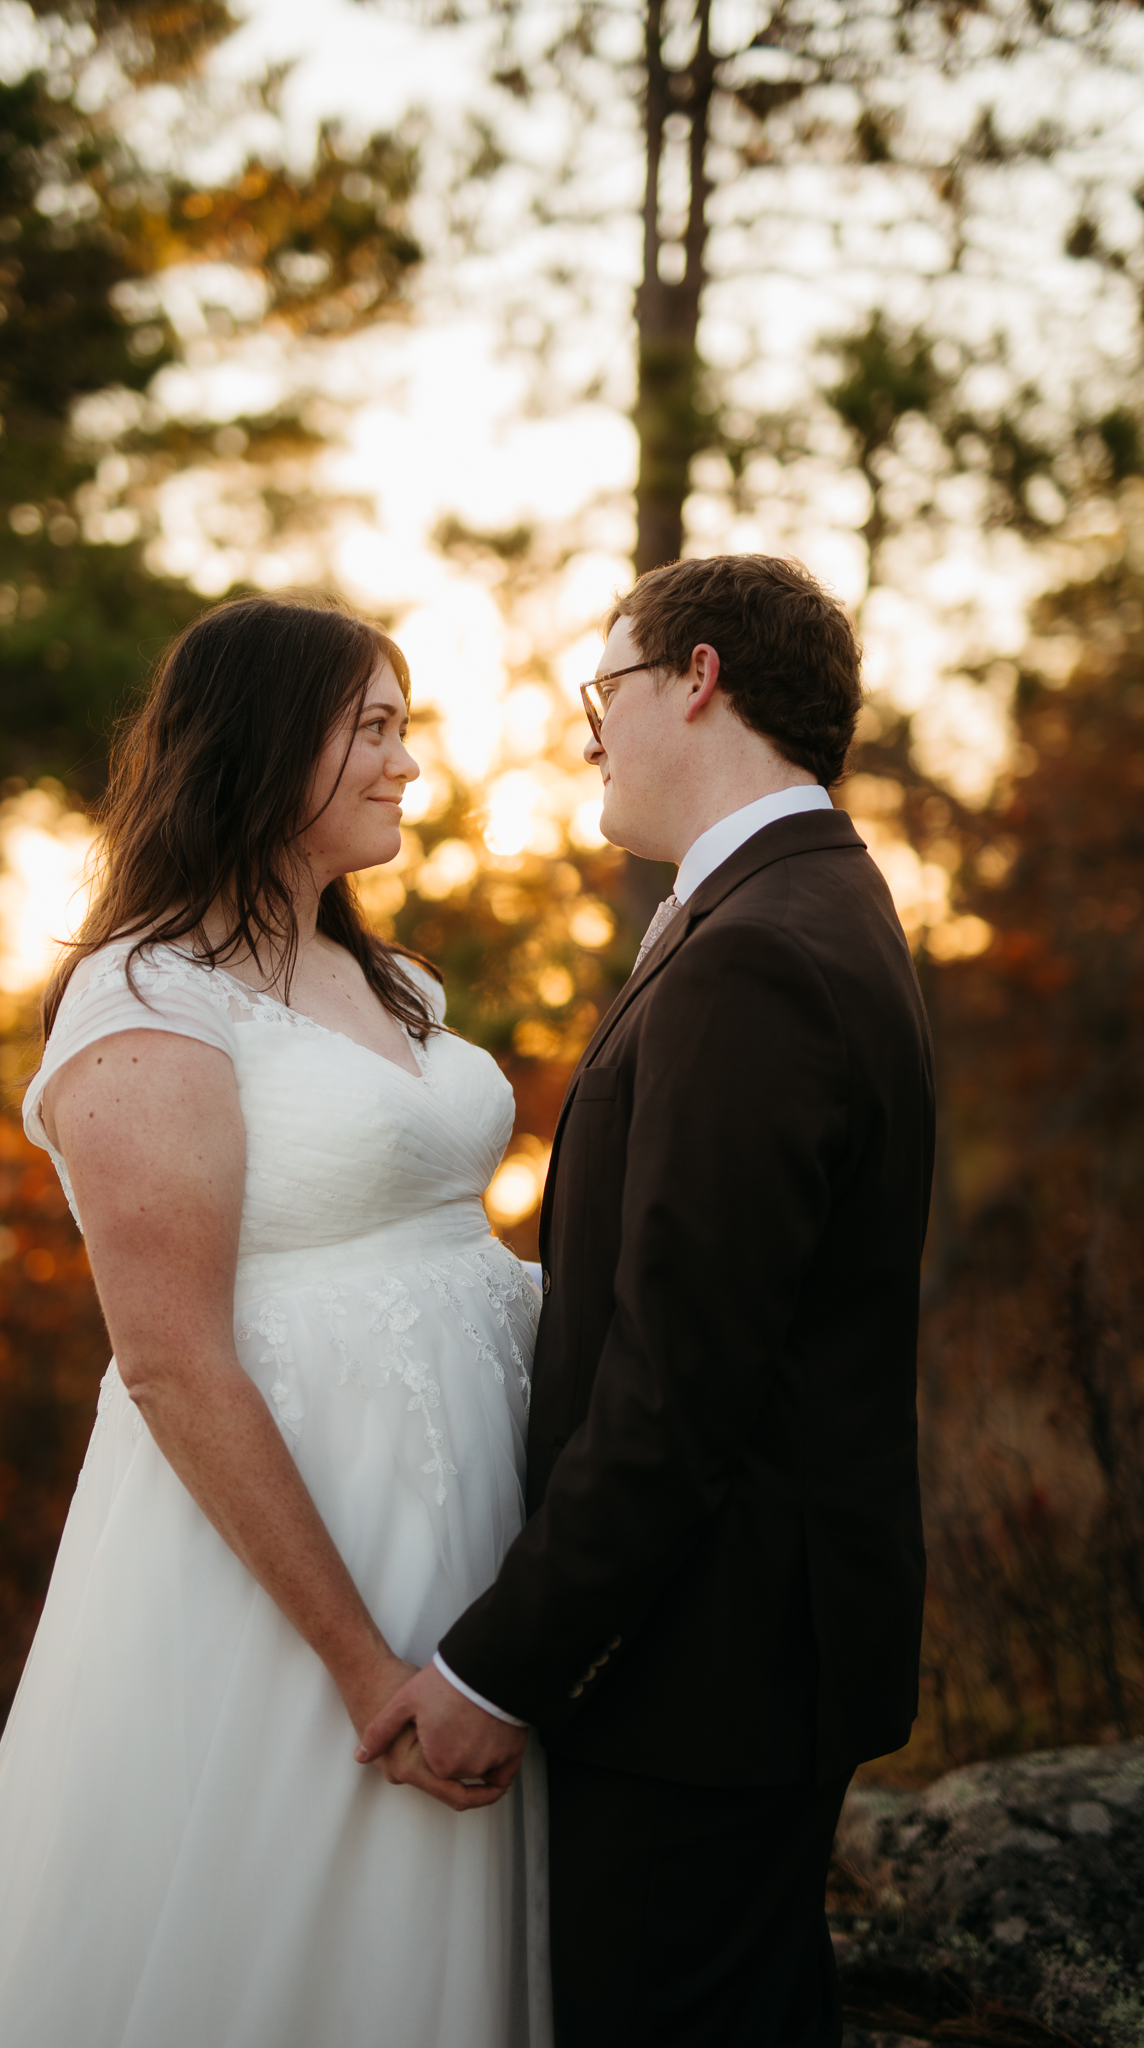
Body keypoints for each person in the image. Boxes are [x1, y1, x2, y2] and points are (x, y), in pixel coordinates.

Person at [0, 596, 551, 2048]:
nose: (402, 767)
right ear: (262, 741)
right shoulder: (145, 1000)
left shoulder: (393, 982)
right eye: (371, 729)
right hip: (301, 1557)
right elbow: (172, 1359)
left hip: (467, 1515)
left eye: (402, 729)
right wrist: (366, 1663)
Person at [361, 554, 935, 2046]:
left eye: (601, 688)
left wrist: (502, 1664)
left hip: (706, 1670)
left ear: (696, 676)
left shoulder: (758, 952)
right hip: (743, 1652)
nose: (588, 728)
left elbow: (682, 1384)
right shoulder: (796, 900)